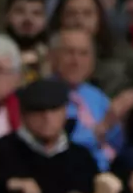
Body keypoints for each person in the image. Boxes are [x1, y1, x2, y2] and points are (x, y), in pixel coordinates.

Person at [50, 0, 133, 100]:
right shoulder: (46, 57)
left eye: (87, 14)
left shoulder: (124, 55)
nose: (79, 21)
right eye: (71, 14)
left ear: (99, 18)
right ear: (60, 19)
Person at [48, 27, 125, 170]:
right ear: (53, 56)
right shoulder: (45, 95)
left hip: (110, 172)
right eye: (69, 52)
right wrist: (102, 128)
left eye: (83, 54)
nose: (76, 61)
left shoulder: (96, 95)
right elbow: (60, 146)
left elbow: (117, 142)